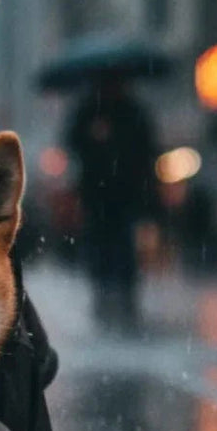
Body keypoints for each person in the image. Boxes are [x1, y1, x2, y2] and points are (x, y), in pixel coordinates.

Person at [66, 73, 159, 333]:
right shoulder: (87, 111)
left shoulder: (134, 111)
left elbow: (147, 149)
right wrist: (93, 136)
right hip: (96, 193)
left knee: (124, 246)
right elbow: (72, 142)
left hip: (125, 192)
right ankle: (103, 296)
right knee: (100, 245)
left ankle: (126, 298)